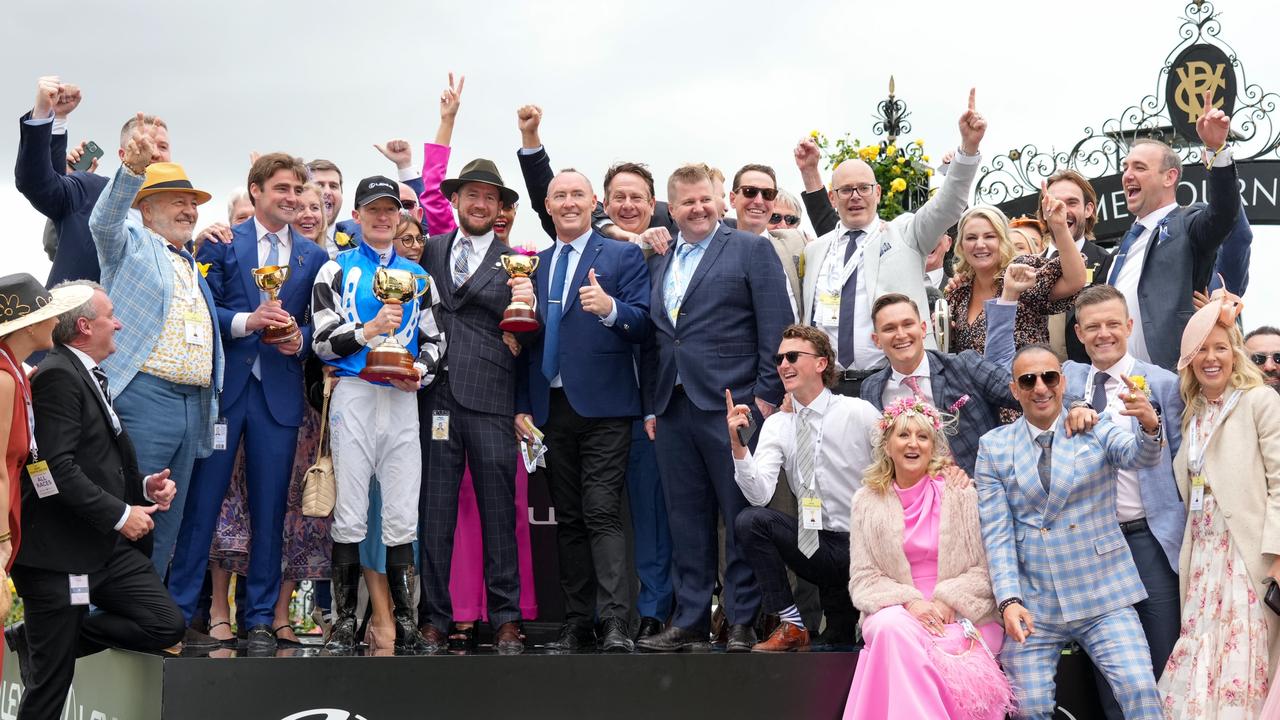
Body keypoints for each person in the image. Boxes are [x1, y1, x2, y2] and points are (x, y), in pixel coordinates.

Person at [992, 283, 1186, 720]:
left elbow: (1170, 459)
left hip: (1147, 536)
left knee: (1155, 660)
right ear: (1078, 333)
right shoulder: (1067, 377)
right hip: (1081, 550)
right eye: (1093, 326)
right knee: (1107, 670)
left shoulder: (1164, 384)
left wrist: (1150, 426)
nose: (1104, 334)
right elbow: (1018, 373)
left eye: (1113, 324)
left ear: (1129, 326)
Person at [167, 154, 326, 651]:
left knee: (270, 508)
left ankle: (257, 618)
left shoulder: (313, 257)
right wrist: (246, 323)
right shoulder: (219, 244)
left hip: (279, 398)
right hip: (225, 394)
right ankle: (175, 614)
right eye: (281, 188)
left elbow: (318, 322)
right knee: (201, 504)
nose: (291, 199)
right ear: (255, 191)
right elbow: (203, 306)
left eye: (297, 191)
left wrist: (296, 339)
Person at [6, 280, 185, 720]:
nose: (119, 323)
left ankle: (38, 636)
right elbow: (54, 468)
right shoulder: (56, 376)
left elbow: (94, 461)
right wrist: (121, 514)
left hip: (102, 550)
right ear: (85, 326)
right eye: (111, 316)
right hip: (59, 554)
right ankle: (47, 638)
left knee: (165, 624)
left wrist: (142, 488)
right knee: (50, 687)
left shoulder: (86, 373)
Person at [636, 163, 791, 653]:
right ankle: (691, 619)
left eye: (705, 199)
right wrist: (650, 407)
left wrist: (765, 397)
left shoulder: (751, 248)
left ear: (720, 201)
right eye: (687, 202)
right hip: (672, 406)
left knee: (740, 515)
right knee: (685, 519)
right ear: (672, 207)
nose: (698, 209)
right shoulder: (659, 258)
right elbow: (658, 340)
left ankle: (742, 620)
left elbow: (777, 328)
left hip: (733, 406)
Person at [513, 169, 650, 653]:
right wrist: (520, 406)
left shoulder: (622, 254)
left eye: (577, 194)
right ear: (547, 207)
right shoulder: (532, 265)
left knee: (600, 511)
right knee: (568, 516)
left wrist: (610, 307)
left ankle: (615, 621)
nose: (569, 202)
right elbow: (525, 346)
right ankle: (577, 621)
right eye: (559, 196)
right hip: (549, 408)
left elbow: (643, 323)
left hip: (606, 406)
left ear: (595, 202)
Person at [88, 117, 224, 586]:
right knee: (133, 513)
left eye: (193, 204)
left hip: (193, 403)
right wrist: (130, 171)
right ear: (146, 210)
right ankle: (108, 626)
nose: (189, 210)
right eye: (177, 202)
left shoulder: (189, 260)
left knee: (167, 523)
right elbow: (102, 221)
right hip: (145, 398)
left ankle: (146, 623)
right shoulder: (130, 244)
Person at [311, 175, 444, 654]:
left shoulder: (419, 277)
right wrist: (369, 331)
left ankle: (406, 625)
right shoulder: (334, 269)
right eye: (373, 209)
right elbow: (322, 340)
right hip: (355, 392)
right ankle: (345, 624)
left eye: (390, 209)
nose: (383, 217)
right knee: (349, 514)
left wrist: (420, 374)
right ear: (359, 215)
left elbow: (434, 341)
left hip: (401, 398)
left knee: (402, 514)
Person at [797, 90, 988, 394]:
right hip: (827, 386)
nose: (856, 196)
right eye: (846, 190)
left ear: (879, 192)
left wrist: (968, 148)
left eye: (864, 188)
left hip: (893, 383)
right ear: (832, 198)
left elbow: (949, 204)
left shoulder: (905, 234)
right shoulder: (816, 249)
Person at [415, 159, 528, 655]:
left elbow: (533, 328)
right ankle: (434, 617)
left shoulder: (517, 261)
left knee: (498, 514)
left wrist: (527, 323)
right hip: (434, 398)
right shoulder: (427, 251)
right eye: (471, 195)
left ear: (499, 207)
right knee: (434, 514)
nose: (480, 204)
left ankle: (505, 618)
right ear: (455, 201)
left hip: (491, 397)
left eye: (489, 198)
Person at [844, 398, 1012, 720]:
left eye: (922, 437)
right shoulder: (866, 501)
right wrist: (910, 603)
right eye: (903, 435)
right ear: (887, 444)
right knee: (891, 629)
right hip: (897, 608)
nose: (913, 444)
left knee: (903, 640)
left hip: (960, 612)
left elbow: (985, 569)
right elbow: (864, 578)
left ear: (933, 446)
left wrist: (948, 599)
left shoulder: (961, 493)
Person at [1158, 290, 1280, 716]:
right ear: (1189, 358)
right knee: (1202, 659)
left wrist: (1278, 555)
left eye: (1221, 348)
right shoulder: (1191, 412)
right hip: (1203, 555)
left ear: (1235, 353)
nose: (1211, 358)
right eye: (1202, 350)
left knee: (1245, 659)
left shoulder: (1260, 401)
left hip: (1249, 554)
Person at [728, 325, 879, 651]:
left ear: (821, 363)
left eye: (793, 356)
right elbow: (759, 495)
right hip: (817, 545)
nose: (783, 364)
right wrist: (739, 448)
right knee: (751, 521)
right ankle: (792, 624)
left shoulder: (859, 412)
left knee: (843, 643)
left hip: (866, 546)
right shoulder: (778, 424)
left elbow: (897, 471)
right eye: (779, 358)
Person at [1106, 92, 1237, 370]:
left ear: (1170, 177)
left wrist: (1217, 150)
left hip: (1173, 382)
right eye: (1125, 167)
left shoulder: (1188, 224)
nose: (1127, 175)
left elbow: (1224, 215)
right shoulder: (1123, 248)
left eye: (1140, 168)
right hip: (1121, 383)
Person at [0, 275, 95, 657]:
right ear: (30, 325)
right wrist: (2, 542)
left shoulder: (16, 374)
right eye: (51, 315)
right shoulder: (6, 380)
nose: (58, 322)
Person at [16, 77, 171, 287]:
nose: (153, 153)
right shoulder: (90, 190)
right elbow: (37, 183)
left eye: (162, 147)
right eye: (144, 144)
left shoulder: (179, 213)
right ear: (123, 154)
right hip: (82, 315)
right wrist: (48, 115)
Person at [859, 292, 1018, 475]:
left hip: (979, 485)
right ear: (877, 340)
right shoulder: (871, 390)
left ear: (923, 328)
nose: (901, 334)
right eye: (889, 328)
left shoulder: (964, 365)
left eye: (907, 324)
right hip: (915, 495)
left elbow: (1024, 395)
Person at [946, 200, 1085, 356]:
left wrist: (1059, 227)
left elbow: (1075, 281)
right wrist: (942, 328)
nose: (980, 244)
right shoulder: (959, 292)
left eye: (989, 236)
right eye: (971, 238)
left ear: (1003, 241)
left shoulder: (1019, 272)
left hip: (1029, 378)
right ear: (961, 246)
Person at [1039, 170, 1113, 363]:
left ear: (1088, 210)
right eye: (1053, 201)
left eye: (1071, 203)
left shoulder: (1108, 263)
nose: (1061, 209)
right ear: (1043, 211)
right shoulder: (1030, 268)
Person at [729, 164, 806, 321]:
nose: (758, 201)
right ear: (732, 199)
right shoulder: (713, 246)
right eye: (750, 192)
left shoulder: (798, 244)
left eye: (767, 194)